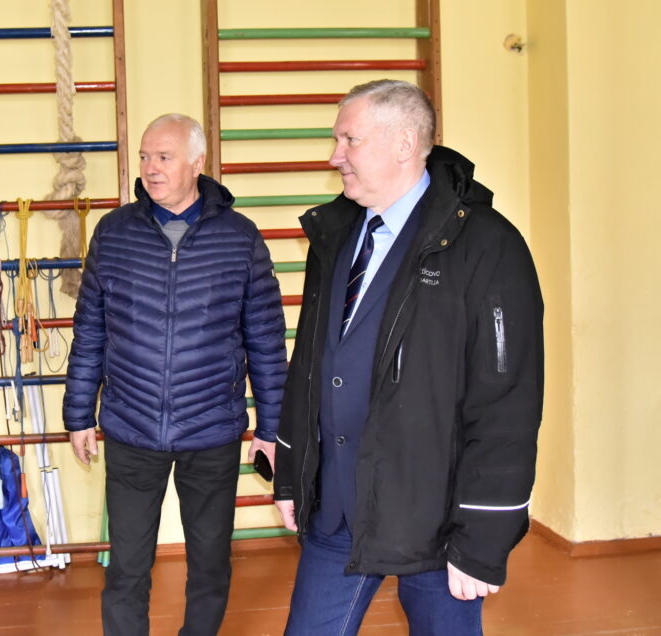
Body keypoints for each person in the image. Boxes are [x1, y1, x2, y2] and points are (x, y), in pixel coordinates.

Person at [274, 80, 544, 635]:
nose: (334, 156)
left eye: (349, 140)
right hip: (339, 509)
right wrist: (290, 474)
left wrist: (483, 539)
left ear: (403, 144)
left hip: (439, 523)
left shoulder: (487, 246)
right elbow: (309, 369)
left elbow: (507, 404)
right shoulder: (335, 236)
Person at [64, 113, 287, 636]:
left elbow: (266, 341)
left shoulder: (240, 238)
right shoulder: (113, 233)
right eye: (145, 156)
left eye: (163, 157)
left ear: (197, 162)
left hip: (211, 430)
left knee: (210, 563)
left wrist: (272, 429)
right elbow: (90, 330)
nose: (150, 167)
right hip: (131, 427)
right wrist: (78, 415)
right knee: (126, 568)